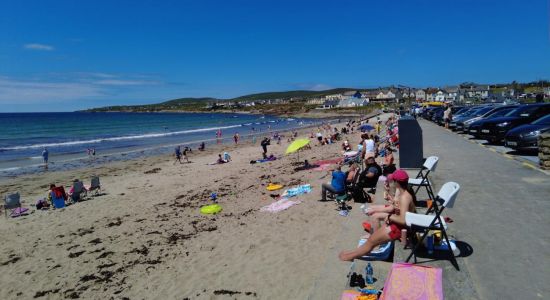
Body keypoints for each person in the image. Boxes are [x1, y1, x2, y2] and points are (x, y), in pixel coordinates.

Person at [338, 170, 416, 261]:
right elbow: (400, 211)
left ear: (397, 182)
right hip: (395, 225)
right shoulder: (404, 193)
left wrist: (389, 217)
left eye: (393, 181)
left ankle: (350, 256)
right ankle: (354, 253)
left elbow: (403, 220)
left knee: (371, 242)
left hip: (398, 229)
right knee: (371, 240)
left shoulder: (404, 197)